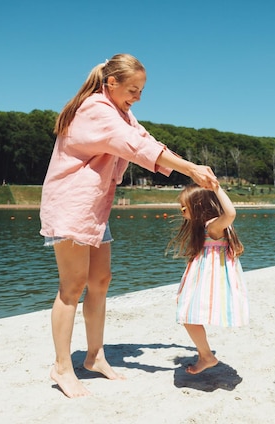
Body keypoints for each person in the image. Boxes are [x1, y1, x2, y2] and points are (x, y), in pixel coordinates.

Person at [39, 53, 218, 398]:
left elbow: (145, 140)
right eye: (133, 89)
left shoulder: (121, 112)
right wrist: (190, 169)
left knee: (101, 281)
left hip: (95, 208)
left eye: (141, 90)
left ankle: (94, 357)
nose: (137, 96)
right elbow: (135, 146)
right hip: (71, 206)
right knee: (72, 287)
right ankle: (62, 366)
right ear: (112, 83)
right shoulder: (95, 109)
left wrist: (190, 164)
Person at [168, 184, 249, 374]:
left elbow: (230, 214)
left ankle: (206, 356)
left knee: (187, 313)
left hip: (210, 277)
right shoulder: (205, 226)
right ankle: (205, 355)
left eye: (183, 208)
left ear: (197, 205)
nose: (181, 212)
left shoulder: (213, 226)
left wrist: (217, 188)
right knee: (188, 314)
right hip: (205, 275)